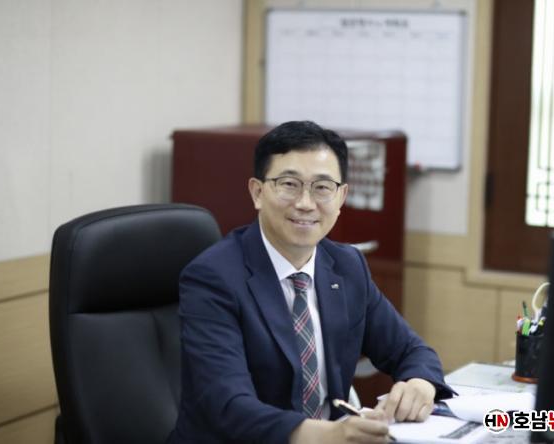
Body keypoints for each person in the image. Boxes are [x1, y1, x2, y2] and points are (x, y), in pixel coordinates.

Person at [169, 121, 454, 444]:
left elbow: (411, 350)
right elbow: (229, 406)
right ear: (257, 192)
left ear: (341, 196)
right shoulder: (213, 278)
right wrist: (329, 434)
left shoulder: (347, 266)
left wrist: (419, 384)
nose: (306, 203)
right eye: (289, 184)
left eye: (322, 187)